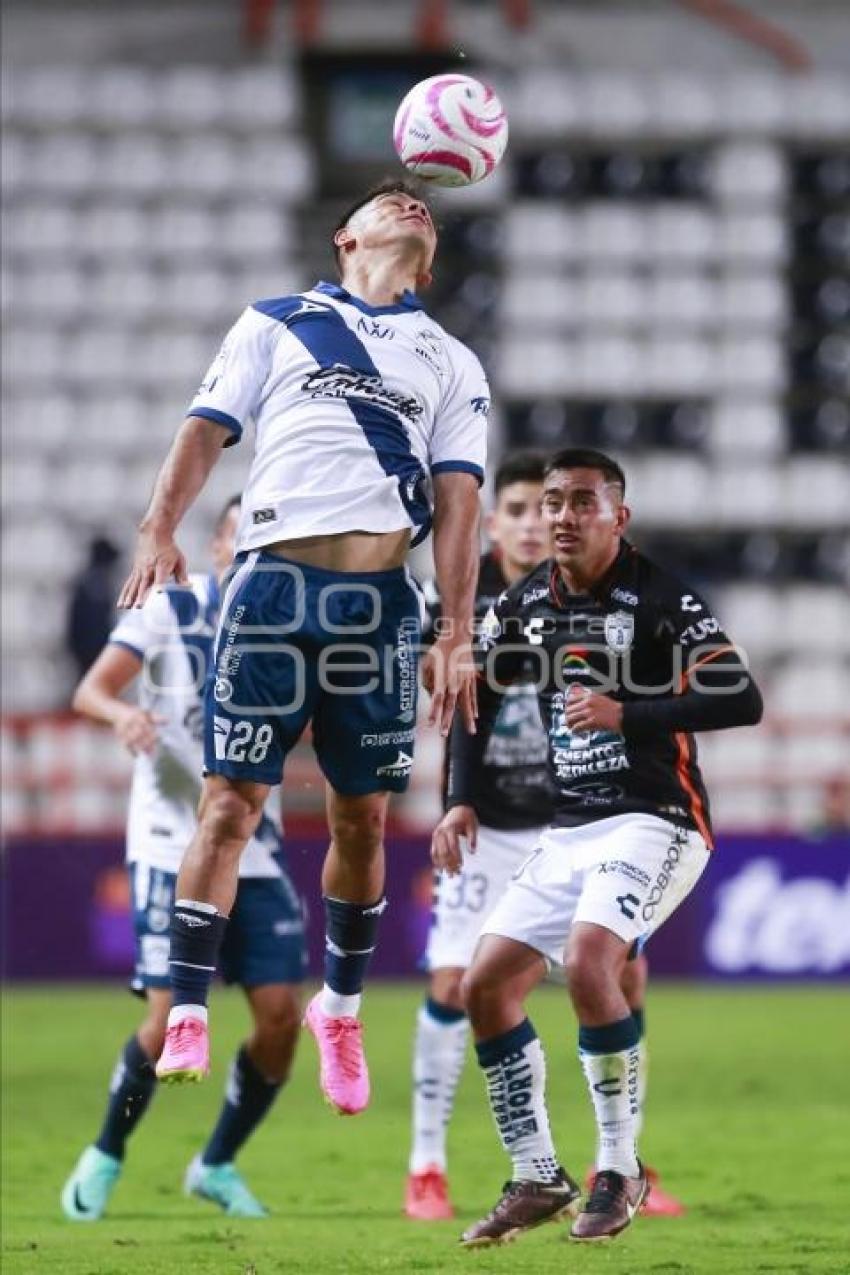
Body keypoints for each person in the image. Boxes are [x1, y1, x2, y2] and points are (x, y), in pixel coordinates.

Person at [116, 179, 488, 1115]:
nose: (411, 205)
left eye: (423, 207)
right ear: (344, 239)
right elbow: (203, 431)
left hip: (379, 602)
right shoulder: (276, 322)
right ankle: (192, 1007)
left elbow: (459, 507)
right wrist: (161, 526)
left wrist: (453, 629)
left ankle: (343, 1007)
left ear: (430, 262)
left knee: (362, 818)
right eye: (388, 202)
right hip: (274, 585)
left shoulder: (451, 362)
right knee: (231, 805)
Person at [432, 448, 763, 1246]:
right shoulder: (526, 602)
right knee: (482, 988)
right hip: (570, 827)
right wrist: (459, 800)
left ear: (620, 515)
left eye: (583, 501)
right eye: (553, 502)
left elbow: (740, 694)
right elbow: (478, 694)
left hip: (659, 818)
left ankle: (618, 1168)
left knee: (589, 961)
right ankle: (537, 1173)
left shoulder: (658, 596)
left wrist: (629, 711)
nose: (563, 516)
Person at [405, 452, 686, 1222]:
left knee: (618, 973)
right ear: (493, 523)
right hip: (492, 823)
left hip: (584, 816)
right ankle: (427, 1162)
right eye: (526, 509)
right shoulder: (465, 599)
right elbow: (446, 685)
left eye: (553, 506)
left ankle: (618, 1159)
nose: (542, 521)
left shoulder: (602, 594)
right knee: (461, 980)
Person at [61, 498, 306, 1221]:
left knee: (281, 1018)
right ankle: (106, 1150)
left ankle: (217, 1162)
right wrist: (126, 714)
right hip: (171, 842)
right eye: (246, 537)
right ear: (221, 545)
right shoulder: (172, 608)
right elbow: (91, 690)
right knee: (171, 1016)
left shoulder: (293, 626)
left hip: (256, 850)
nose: (258, 553)